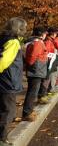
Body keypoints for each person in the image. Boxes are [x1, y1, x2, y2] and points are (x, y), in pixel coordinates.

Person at [0, 17, 27, 145]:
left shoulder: (2, 38)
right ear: (19, 29)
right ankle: (2, 139)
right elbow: (4, 61)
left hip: (3, 81)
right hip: (7, 82)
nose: (25, 30)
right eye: (24, 28)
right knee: (8, 111)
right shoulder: (13, 42)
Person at [22, 28, 48, 121]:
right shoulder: (38, 43)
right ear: (41, 34)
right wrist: (31, 66)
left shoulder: (33, 42)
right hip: (36, 71)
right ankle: (27, 113)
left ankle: (29, 110)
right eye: (45, 33)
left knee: (32, 92)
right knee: (32, 92)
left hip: (36, 70)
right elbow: (33, 56)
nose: (46, 35)